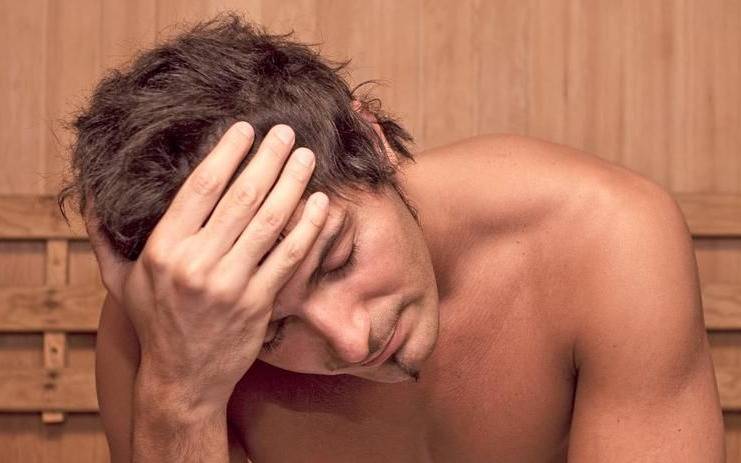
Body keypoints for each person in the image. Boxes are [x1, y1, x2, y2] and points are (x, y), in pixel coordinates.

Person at [58, 12, 725, 462]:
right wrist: (182, 397)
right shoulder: (175, 327)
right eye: (269, 328)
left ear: (371, 139)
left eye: (337, 258)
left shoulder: (602, 237)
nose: (352, 341)